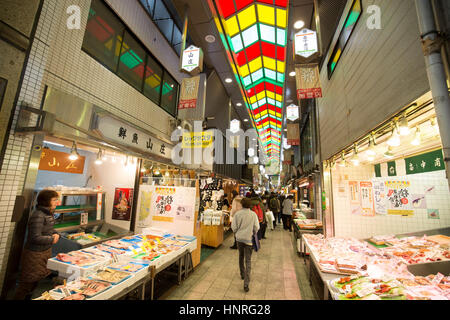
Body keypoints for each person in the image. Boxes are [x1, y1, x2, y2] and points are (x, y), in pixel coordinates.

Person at [14, 190, 61, 300]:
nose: (56, 202)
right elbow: (34, 237)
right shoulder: (38, 215)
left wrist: (56, 233)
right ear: (46, 201)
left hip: (44, 252)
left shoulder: (48, 213)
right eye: (54, 200)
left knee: (35, 283)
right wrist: (52, 239)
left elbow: (48, 229)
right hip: (34, 254)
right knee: (27, 284)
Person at [231, 197, 260, 293]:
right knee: (248, 260)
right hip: (248, 240)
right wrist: (252, 232)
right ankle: (246, 283)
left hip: (239, 239)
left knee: (240, 256)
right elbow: (256, 227)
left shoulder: (237, 214)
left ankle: (242, 273)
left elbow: (234, 227)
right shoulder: (253, 214)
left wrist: (237, 233)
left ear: (242, 204)